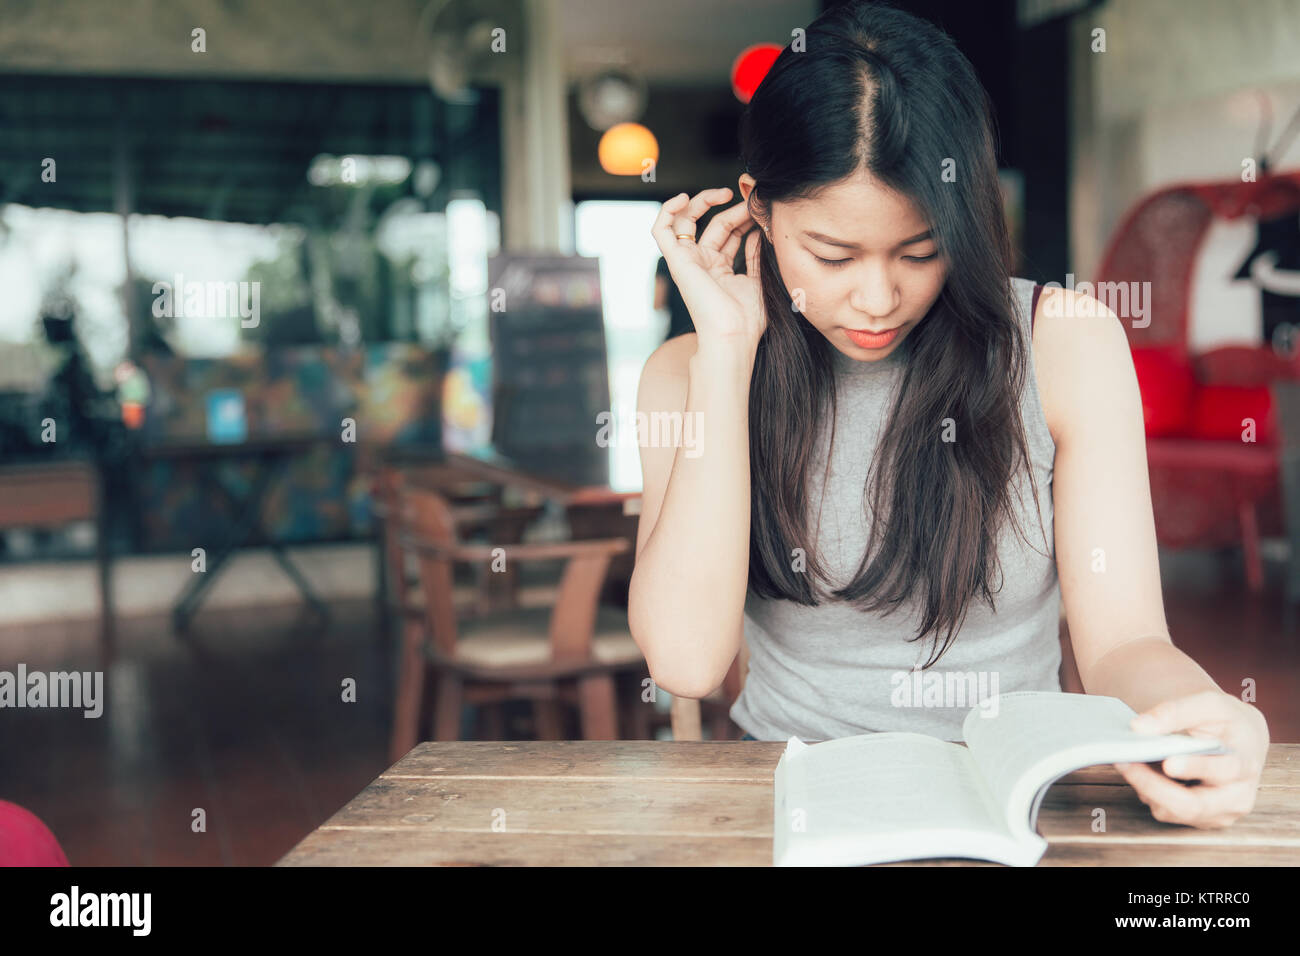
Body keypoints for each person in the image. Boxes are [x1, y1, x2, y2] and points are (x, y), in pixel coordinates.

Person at [628, 0, 1267, 830]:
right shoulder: (686, 374)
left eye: (921, 250)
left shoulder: (1063, 343)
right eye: (832, 254)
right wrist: (724, 350)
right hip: (791, 803)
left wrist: (1203, 713)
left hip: (1017, 796)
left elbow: (1123, 643)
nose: (878, 297)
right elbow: (686, 660)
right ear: (758, 210)